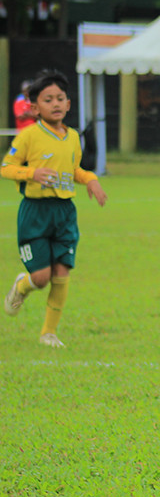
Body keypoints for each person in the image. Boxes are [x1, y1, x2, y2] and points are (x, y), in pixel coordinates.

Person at [2, 70, 108, 347]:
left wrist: (91, 179)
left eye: (60, 98)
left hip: (64, 213)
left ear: (69, 104)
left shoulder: (72, 136)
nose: (56, 104)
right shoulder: (28, 137)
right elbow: (6, 167)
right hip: (35, 213)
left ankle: (49, 333)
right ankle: (22, 286)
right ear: (34, 108)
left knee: (62, 272)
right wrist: (31, 174)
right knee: (41, 277)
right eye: (48, 100)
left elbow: (73, 169)